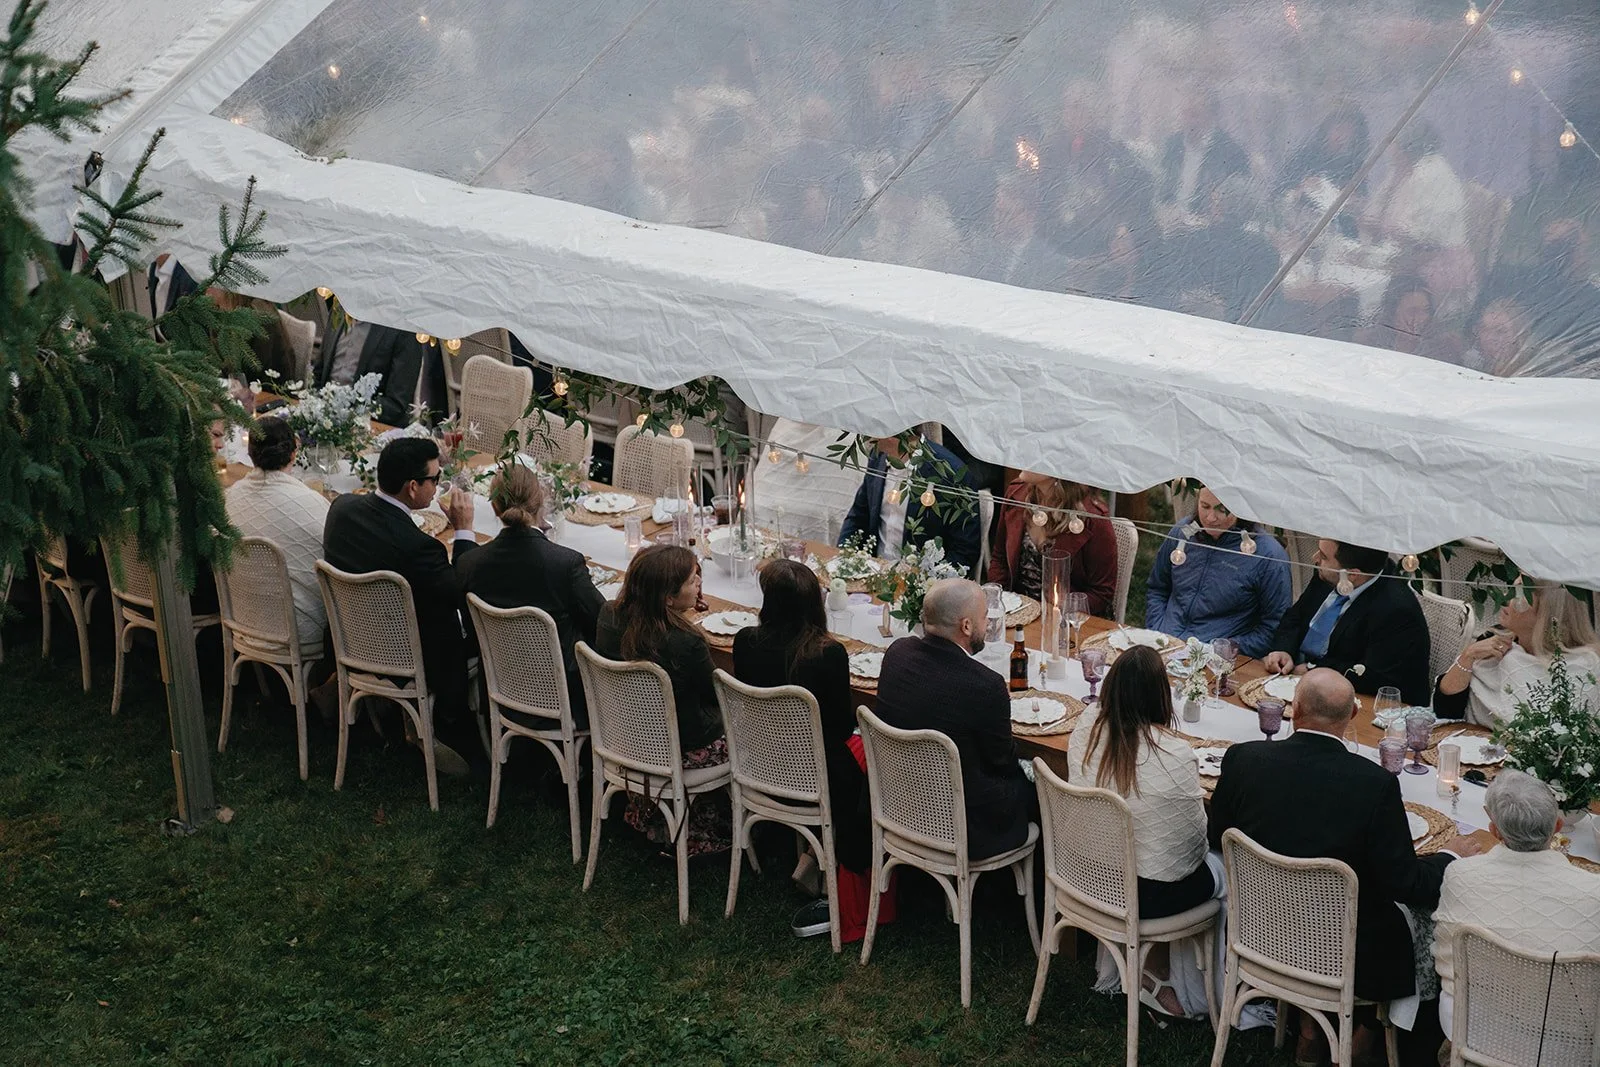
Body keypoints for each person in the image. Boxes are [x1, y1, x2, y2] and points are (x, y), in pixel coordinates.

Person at [1207, 669, 1476, 1061]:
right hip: (1347, 953)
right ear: (1353, 715)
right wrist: (1448, 857)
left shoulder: (1244, 759)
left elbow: (1219, 838)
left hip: (1258, 933)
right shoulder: (1374, 784)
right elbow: (1406, 882)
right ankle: (1363, 1032)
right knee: (1417, 917)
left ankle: (1311, 1027)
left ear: (1294, 710)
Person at [732, 560, 881, 942]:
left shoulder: (745, 642)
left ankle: (813, 855)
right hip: (817, 774)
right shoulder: (826, 654)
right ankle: (838, 863)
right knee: (869, 750)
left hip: (761, 763)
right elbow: (839, 728)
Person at [1068, 646, 1217, 1018]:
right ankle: (1200, 987)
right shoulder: (1176, 756)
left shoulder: (1087, 724)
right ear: (1160, 695)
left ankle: (1150, 969)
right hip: (1146, 895)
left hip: (1085, 873)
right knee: (1223, 868)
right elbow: (1191, 850)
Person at [321, 437, 478, 775]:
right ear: (412, 487)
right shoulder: (419, 548)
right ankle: (458, 724)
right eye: (435, 480)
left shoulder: (342, 509)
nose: (438, 486)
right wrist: (463, 531)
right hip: (409, 656)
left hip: (350, 640)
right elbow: (458, 593)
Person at [873, 578, 1035, 860]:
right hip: (963, 825)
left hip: (898, 802)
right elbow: (1003, 763)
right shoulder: (985, 685)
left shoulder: (896, 654)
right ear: (967, 626)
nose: (988, 624)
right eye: (985, 617)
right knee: (1038, 791)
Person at [1432, 770, 1600, 1032]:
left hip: (1473, 1029)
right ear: (1557, 827)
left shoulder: (1461, 875)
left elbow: (1443, 957)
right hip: (1568, 1040)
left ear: (1494, 831)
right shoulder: (1594, 891)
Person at [595, 544, 728, 854]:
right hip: (679, 746)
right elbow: (717, 696)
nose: (698, 582)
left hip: (623, 735)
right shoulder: (686, 641)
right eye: (693, 580)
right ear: (668, 598)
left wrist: (682, 611)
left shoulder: (609, 614)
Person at [456, 464, 605, 726]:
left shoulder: (470, 563)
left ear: (494, 508)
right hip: (567, 696)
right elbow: (602, 623)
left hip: (502, 687)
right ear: (541, 501)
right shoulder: (565, 564)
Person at [1263, 539, 1431, 704]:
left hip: (1363, 702)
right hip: (1295, 682)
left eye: (1323, 556)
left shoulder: (1395, 610)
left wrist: (1313, 669)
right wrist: (1283, 650)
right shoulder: (1330, 575)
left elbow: (1372, 676)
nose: (1315, 559)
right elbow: (1295, 617)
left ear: (1352, 574)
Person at [1143, 487, 1291, 657]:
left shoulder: (1268, 556)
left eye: (1222, 510)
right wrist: (1156, 628)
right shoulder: (1182, 533)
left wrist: (1227, 648)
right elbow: (1157, 588)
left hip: (1215, 657)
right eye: (1204, 506)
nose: (1211, 518)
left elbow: (1274, 627)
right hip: (1163, 643)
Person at [223, 415, 330, 651]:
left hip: (244, 617)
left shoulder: (231, 497)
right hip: (302, 627)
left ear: (249, 454)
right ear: (294, 452)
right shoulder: (312, 504)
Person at [1433, 580, 1600, 727]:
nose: (1505, 598)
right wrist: (1468, 656)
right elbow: (1445, 712)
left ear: (1548, 612)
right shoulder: (1495, 641)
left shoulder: (1582, 667)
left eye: (1519, 594)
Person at [837, 433, 981, 576]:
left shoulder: (951, 474)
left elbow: (965, 550)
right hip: (872, 572)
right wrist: (845, 557)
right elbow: (858, 516)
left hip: (920, 581)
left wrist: (924, 583)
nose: (865, 435)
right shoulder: (877, 457)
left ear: (891, 433)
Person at [988, 473, 1116, 616]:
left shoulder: (1093, 518)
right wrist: (1000, 601)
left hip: (1067, 620)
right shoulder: (1016, 493)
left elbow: (1102, 593)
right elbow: (1000, 559)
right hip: (1016, 611)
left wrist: (1057, 611)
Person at [313, 317, 440, 426]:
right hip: (321, 415)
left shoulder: (403, 328)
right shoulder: (339, 310)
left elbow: (396, 404)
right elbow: (319, 374)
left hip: (368, 425)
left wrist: (349, 410)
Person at [1157, 92, 1250, 218]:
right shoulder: (1173, 144)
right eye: (1184, 113)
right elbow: (1163, 189)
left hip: (1209, 230)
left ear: (1211, 117)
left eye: (1194, 115)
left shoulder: (1231, 151)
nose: (1187, 120)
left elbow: (1239, 203)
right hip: (1171, 224)